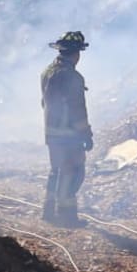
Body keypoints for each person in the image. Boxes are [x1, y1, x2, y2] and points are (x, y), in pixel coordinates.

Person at [41, 31, 93, 227]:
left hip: (51, 132)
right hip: (69, 135)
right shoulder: (73, 77)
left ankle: (48, 211)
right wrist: (86, 134)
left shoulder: (46, 72)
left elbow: (44, 102)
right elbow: (78, 110)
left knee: (56, 170)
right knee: (72, 172)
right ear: (75, 54)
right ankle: (67, 216)